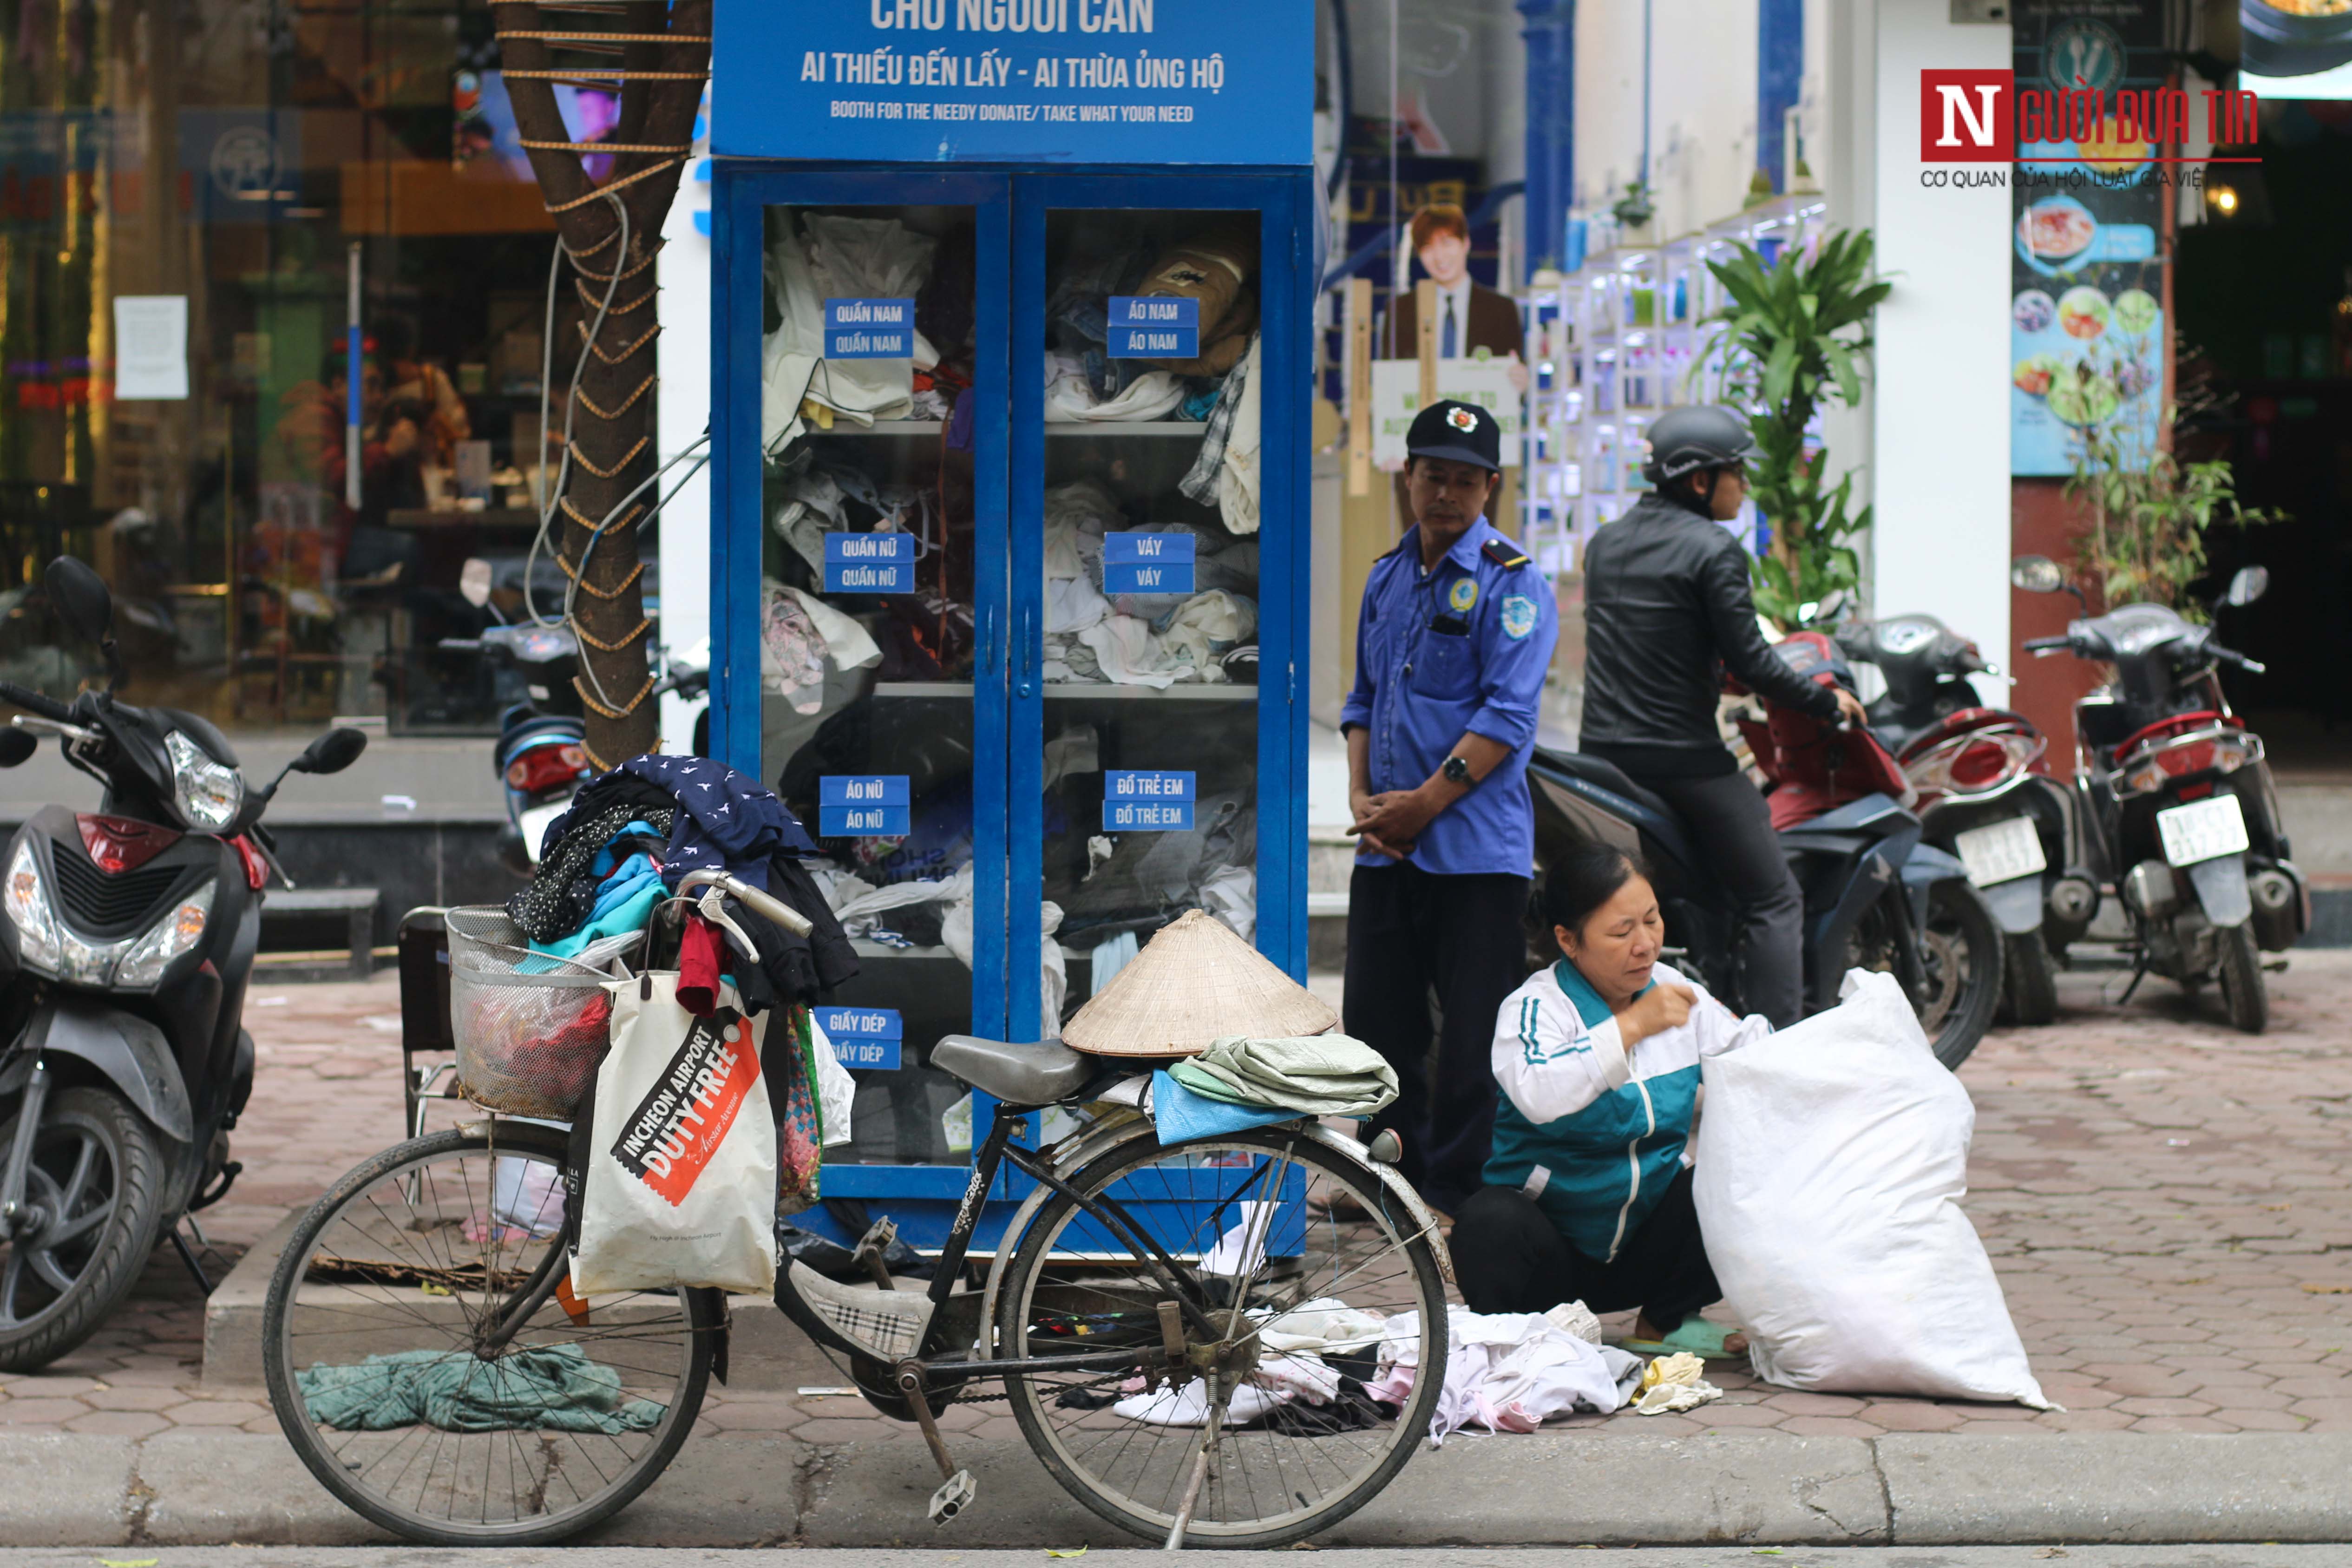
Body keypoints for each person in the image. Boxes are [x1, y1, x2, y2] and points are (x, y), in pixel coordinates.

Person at [1336, 398, 1558, 1219]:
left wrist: (1419, 807)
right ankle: (1387, 1182)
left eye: (1466, 482)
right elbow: (1360, 699)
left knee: (1471, 1040)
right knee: (1377, 1033)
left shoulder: (1513, 583)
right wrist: (1361, 798)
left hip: (1473, 852)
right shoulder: (1386, 577)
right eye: (1434, 476)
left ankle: (1458, 1190)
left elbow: (1506, 716)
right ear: (1408, 477)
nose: (1446, 495)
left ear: (1488, 489)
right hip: (1384, 848)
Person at [1577, 404, 1868, 1028]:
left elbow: (1661, 642)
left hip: (1601, 757)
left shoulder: (1604, 543)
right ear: (1698, 479)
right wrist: (1826, 700)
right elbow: (1756, 662)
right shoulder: (1712, 548)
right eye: (1734, 471)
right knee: (1773, 896)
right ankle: (1772, 1056)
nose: (1744, 485)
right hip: (1682, 760)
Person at [1453, 842, 1767, 1357]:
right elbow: (1540, 1093)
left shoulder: (1675, 991)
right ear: (1568, 941)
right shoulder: (1534, 1007)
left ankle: (1664, 1321)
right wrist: (1630, 1027)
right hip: (1548, 1259)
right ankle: (1515, 1341)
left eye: (1651, 920)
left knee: (1733, 1175)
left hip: (1644, 1251)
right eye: (1621, 932)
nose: (1644, 944)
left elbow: (1752, 1053)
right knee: (1487, 1222)